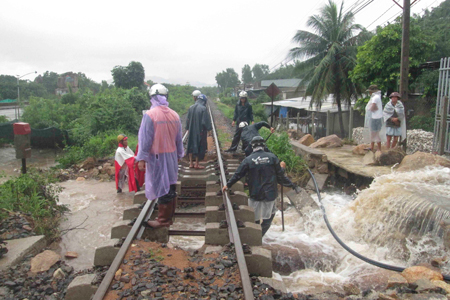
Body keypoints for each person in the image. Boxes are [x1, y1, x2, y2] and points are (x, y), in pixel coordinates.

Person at [222, 136, 301, 237]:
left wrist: (228, 185)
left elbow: (238, 174)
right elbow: (280, 177)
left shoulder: (248, 160)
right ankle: (260, 235)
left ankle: (255, 235)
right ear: (263, 145)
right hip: (270, 195)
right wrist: (292, 184)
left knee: (254, 218)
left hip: (256, 194)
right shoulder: (272, 157)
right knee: (269, 217)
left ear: (252, 146)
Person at [136, 83, 184, 228]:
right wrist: (180, 154)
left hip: (157, 157)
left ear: (151, 97)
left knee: (161, 185)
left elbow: (145, 139)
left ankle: (163, 220)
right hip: (171, 156)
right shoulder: (174, 114)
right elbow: (179, 138)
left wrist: (141, 158)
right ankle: (169, 216)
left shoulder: (150, 115)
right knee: (170, 183)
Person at [185, 94, 212, 169]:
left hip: (191, 130)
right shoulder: (203, 109)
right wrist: (209, 129)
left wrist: (187, 128)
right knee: (199, 146)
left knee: (190, 145)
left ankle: (190, 163)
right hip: (200, 131)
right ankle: (197, 164)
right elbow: (205, 121)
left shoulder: (191, 107)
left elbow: (187, 119)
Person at [363, 85, 386, 152]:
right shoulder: (377, 97)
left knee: (376, 133)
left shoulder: (375, 97)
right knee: (373, 133)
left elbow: (373, 107)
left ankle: (378, 148)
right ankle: (372, 147)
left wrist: (369, 109)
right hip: (376, 117)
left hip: (375, 118)